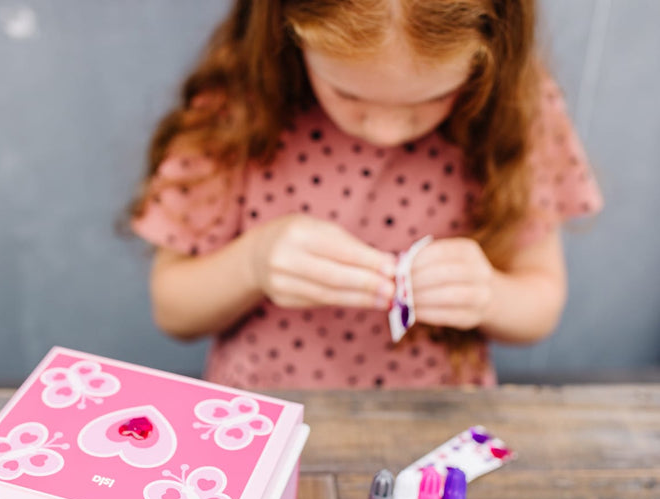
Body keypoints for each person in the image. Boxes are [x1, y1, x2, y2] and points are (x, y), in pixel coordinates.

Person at [129, 0, 602, 389]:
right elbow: (173, 308)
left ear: (488, 56)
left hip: (434, 421)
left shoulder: (520, 109)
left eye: (430, 99)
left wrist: (490, 296)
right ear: (290, 31)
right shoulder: (234, 105)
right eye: (348, 95)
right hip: (259, 416)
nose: (386, 132)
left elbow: (541, 302)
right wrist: (253, 263)